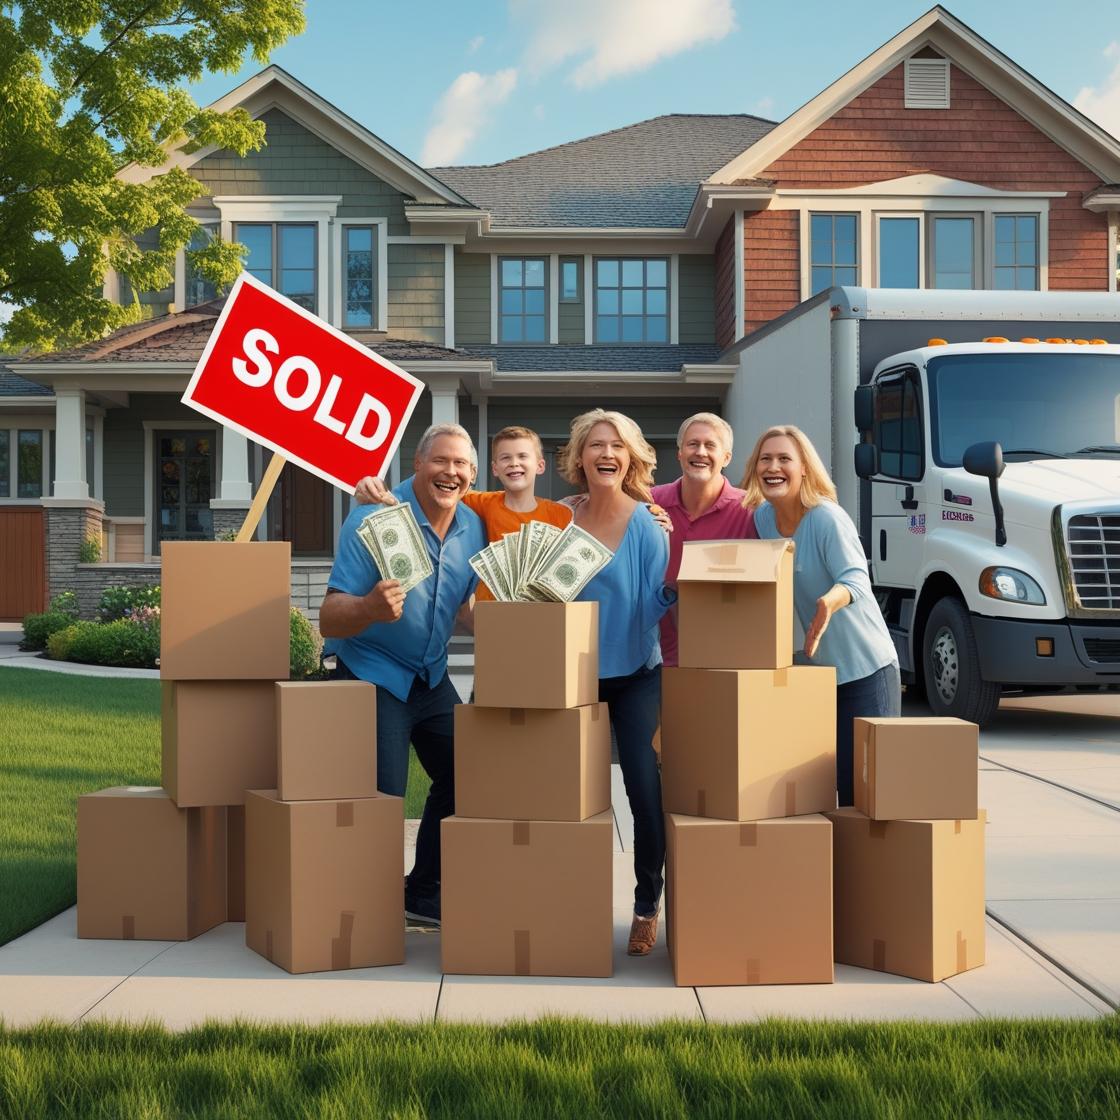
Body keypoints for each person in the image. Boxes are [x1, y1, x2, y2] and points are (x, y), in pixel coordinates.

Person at [319, 423, 487, 926]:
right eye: (441, 461)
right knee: (382, 800)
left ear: (472, 475)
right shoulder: (374, 516)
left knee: (471, 773)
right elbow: (328, 617)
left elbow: (461, 606)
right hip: (372, 671)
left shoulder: (473, 527)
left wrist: (509, 626)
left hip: (431, 677)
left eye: (461, 465)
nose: (450, 472)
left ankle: (421, 892)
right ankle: (365, 912)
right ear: (417, 464)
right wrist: (370, 607)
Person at [557, 408, 674, 956]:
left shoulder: (649, 523)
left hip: (632, 673)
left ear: (631, 459)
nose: (606, 453)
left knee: (643, 790)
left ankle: (647, 903)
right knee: (556, 792)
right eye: (596, 444)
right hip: (568, 673)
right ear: (580, 456)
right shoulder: (558, 518)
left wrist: (677, 591)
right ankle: (557, 899)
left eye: (617, 446)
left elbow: (653, 605)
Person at [740, 424, 900, 806]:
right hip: (817, 677)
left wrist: (829, 601)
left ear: (805, 469)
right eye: (765, 458)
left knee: (863, 794)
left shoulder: (827, 518)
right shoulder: (764, 520)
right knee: (820, 793)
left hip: (866, 672)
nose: (773, 466)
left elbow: (858, 580)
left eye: (784, 459)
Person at [354, 425, 572, 600]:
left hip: (542, 615)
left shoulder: (561, 515)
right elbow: (430, 492)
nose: (514, 463)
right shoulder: (482, 503)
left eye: (523, 456)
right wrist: (373, 488)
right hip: (492, 617)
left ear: (541, 466)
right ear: (495, 468)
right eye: (506, 458)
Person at [650, 412, 757, 667]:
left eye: (710, 445)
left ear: (726, 457)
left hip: (724, 659)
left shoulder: (750, 510)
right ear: (679, 453)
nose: (700, 452)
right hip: (654, 660)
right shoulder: (650, 503)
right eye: (692, 444)